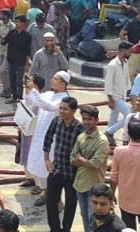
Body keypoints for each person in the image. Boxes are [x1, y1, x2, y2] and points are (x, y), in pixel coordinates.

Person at [28, 71, 71, 206]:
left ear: (63, 84)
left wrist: (34, 90)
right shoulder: (48, 94)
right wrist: (28, 89)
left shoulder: (64, 99)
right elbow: (34, 102)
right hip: (39, 137)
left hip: (52, 141)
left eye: (55, 79)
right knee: (40, 169)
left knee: (50, 171)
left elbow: (46, 105)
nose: (51, 80)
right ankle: (46, 195)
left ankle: (58, 201)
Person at [44, 96, 84, 232]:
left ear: (73, 111)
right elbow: (48, 138)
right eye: (60, 108)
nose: (61, 111)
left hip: (72, 173)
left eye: (65, 109)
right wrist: (46, 159)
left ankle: (66, 229)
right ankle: (54, 229)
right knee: (50, 201)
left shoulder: (79, 128)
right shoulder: (56, 121)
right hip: (56, 169)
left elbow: (83, 150)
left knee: (71, 203)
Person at [71, 105, 110, 232]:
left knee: (93, 218)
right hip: (80, 183)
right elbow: (71, 158)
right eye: (84, 119)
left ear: (96, 120)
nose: (86, 122)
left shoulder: (102, 141)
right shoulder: (81, 137)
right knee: (84, 215)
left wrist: (81, 160)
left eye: (89, 119)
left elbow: (95, 164)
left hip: (94, 186)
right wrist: (84, 162)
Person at [104, 41, 133, 146]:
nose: (131, 53)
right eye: (129, 51)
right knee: (130, 116)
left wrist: (130, 93)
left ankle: (108, 138)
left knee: (113, 116)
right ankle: (109, 132)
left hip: (122, 95)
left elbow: (127, 79)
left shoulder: (125, 62)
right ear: (123, 51)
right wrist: (110, 100)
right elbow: (108, 83)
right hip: (115, 97)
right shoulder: (112, 65)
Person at [1, 15, 32, 103]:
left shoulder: (27, 35)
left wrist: (27, 64)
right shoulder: (11, 33)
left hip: (21, 61)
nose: (16, 23)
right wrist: (1, 38)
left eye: (18, 22)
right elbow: (4, 42)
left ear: (23, 23)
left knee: (19, 80)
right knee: (12, 79)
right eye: (15, 21)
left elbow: (28, 50)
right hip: (11, 60)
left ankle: (20, 97)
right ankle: (14, 97)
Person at [0, 10, 15, 98]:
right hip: (0, 50)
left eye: (1, 14)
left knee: (3, 70)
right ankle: (6, 89)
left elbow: (13, 40)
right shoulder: (0, 23)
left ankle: (9, 88)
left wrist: (5, 40)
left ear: (6, 16)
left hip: (8, 52)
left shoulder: (12, 26)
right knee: (4, 72)